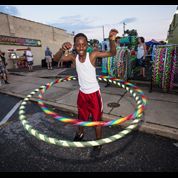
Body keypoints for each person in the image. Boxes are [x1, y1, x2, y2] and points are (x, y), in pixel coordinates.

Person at [54, 29, 118, 152]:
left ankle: (98, 142)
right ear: (74, 46)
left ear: (87, 45)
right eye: (78, 45)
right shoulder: (73, 57)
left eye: (83, 44)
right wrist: (62, 49)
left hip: (94, 94)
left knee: (96, 121)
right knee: (81, 117)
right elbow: (56, 59)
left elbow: (112, 53)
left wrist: (111, 40)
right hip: (82, 94)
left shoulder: (92, 55)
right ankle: (80, 134)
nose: (81, 47)